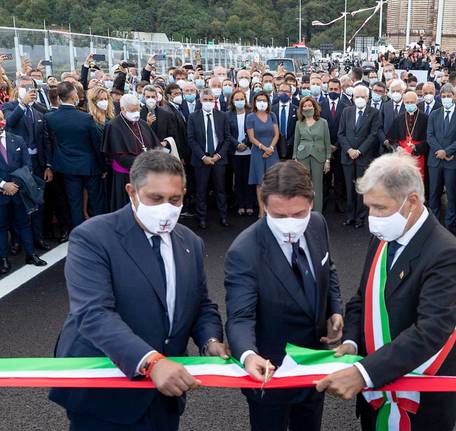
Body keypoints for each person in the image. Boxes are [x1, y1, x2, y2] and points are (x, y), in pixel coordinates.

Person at [49, 151, 227, 430]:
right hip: (104, 394)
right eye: (155, 198)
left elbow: (200, 303)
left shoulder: (190, 241)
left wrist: (211, 341)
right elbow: (93, 313)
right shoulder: (93, 236)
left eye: (175, 199)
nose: (166, 208)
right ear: (131, 192)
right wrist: (151, 363)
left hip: (164, 395)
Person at [315, 152, 456, 431]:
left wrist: (363, 373)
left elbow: (431, 331)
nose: (372, 218)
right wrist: (351, 342)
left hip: (418, 403)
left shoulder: (445, 254)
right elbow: (363, 298)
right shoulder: (386, 236)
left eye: (380, 208)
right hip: (376, 395)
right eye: (368, 207)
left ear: (411, 202)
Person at [225, 160, 343, 431]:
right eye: (279, 216)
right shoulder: (244, 251)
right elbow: (240, 317)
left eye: (298, 214)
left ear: (311, 203)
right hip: (269, 374)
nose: (290, 224)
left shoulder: (317, 224)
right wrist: (247, 355)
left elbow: (329, 267)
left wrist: (334, 310)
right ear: (264, 204)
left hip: (313, 366)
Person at [44, 81, 106, 228]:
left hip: (67, 167)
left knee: (75, 203)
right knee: (97, 202)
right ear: (73, 96)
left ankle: (79, 233)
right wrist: (103, 167)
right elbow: (96, 145)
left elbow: (49, 143)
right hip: (89, 166)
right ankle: (101, 231)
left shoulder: (50, 118)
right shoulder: (86, 118)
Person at [3, 75, 52, 251]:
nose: (27, 89)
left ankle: (38, 237)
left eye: (30, 86)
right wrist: (22, 104)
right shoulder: (9, 106)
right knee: (17, 203)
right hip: (16, 166)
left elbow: (45, 140)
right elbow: (8, 123)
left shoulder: (38, 111)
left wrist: (48, 165)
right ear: (17, 88)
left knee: (37, 201)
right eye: (23, 86)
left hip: (37, 164)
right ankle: (16, 241)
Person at [0, 111, 47, 274]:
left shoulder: (17, 139)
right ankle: (3, 259)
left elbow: (28, 165)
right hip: (1, 194)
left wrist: (16, 184)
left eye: (0, 118)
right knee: (2, 227)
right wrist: (3, 185)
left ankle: (31, 254)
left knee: (24, 223)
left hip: (19, 191)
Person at [103, 94, 161, 212]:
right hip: (125, 176)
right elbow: (118, 155)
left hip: (145, 173)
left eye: (138, 109)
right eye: (132, 110)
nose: (136, 113)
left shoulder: (142, 123)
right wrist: (145, 162)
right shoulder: (113, 126)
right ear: (123, 109)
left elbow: (155, 145)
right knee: (128, 208)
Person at [426, 83, 456, 227]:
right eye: (443, 96)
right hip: (435, 160)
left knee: (452, 195)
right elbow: (430, 135)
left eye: (449, 96)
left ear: (454, 97)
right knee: (434, 194)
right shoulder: (434, 114)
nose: (446, 98)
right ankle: (433, 225)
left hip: (452, 161)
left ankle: (449, 226)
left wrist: (447, 152)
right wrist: (440, 151)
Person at [337, 85, 382, 229]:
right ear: (353, 97)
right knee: (349, 188)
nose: (360, 99)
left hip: (364, 156)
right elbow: (341, 133)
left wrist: (360, 150)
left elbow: (373, 135)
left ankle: (360, 217)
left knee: (361, 188)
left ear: (368, 98)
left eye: (363, 97)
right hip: (348, 156)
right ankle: (350, 216)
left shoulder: (374, 112)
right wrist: (349, 149)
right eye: (357, 97)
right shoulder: (346, 111)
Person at [187, 88, 231, 229]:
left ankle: (223, 216)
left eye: (210, 100)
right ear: (200, 100)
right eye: (205, 100)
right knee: (201, 191)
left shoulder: (222, 116)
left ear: (214, 100)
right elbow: (191, 139)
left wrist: (218, 156)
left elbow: (227, 138)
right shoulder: (193, 117)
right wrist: (203, 156)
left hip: (219, 158)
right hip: (201, 159)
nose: (208, 102)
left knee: (220, 190)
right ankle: (202, 218)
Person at [293, 96, 331, 213]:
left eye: (310, 105)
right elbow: (296, 141)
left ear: (315, 107)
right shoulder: (299, 123)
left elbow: (327, 142)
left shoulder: (323, 122)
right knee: (304, 186)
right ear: (301, 108)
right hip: (302, 156)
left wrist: (327, 160)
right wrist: (295, 157)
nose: (308, 108)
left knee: (317, 186)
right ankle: (304, 212)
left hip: (318, 156)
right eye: (305, 106)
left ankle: (317, 213)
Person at [247, 92, 279, 218]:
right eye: (259, 100)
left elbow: (277, 134)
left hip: (272, 151)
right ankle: (262, 210)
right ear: (254, 102)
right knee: (260, 183)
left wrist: (270, 148)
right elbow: (251, 138)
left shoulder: (272, 115)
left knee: (273, 182)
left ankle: (272, 209)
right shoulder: (250, 117)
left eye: (264, 100)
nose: (262, 102)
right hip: (258, 152)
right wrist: (264, 148)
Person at [385, 91, 428, 179]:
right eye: (407, 102)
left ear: (417, 102)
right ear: (404, 102)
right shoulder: (399, 118)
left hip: (418, 155)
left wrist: (416, 147)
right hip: (402, 154)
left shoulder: (425, 118)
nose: (409, 104)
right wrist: (397, 148)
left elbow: (429, 139)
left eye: (412, 102)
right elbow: (391, 139)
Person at [320, 78, 347, 213]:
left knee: (339, 178)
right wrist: (327, 145)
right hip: (324, 148)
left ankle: (339, 204)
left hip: (340, 148)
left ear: (340, 90)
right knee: (324, 178)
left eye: (336, 89)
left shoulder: (346, 107)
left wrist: (336, 145)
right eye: (331, 89)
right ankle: (323, 204)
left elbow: (346, 130)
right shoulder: (320, 106)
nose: (333, 92)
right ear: (327, 89)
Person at [228, 89, 255, 216]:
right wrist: (237, 144)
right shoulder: (227, 115)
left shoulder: (251, 113)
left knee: (248, 179)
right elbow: (226, 134)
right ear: (232, 101)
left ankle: (249, 204)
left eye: (241, 98)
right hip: (235, 152)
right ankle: (240, 204)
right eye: (237, 99)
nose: (239, 101)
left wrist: (245, 143)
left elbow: (253, 131)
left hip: (249, 150)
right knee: (237, 179)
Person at [272, 82, 297, 160]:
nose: (284, 93)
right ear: (278, 93)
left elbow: (298, 129)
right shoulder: (271, 109)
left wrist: (290, 142)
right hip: (275, 146)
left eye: (286, 91)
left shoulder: (296, 110)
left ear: (290, 94)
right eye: (281, 91)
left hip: (291, 146)